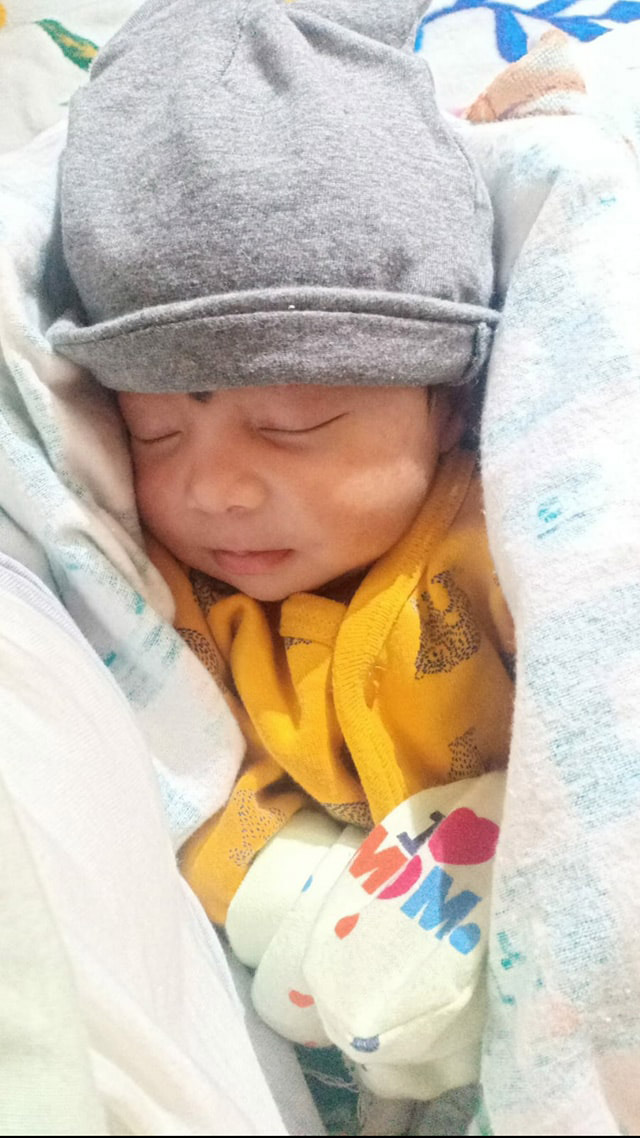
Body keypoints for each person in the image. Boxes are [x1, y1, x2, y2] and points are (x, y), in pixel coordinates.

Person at [50, 0, 514, 1101]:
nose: (211, 488)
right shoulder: (177, 608)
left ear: (448, 403)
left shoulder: (502, 545)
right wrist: (288, 892)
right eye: (153, 432)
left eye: (294, 423)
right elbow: (182, 781)